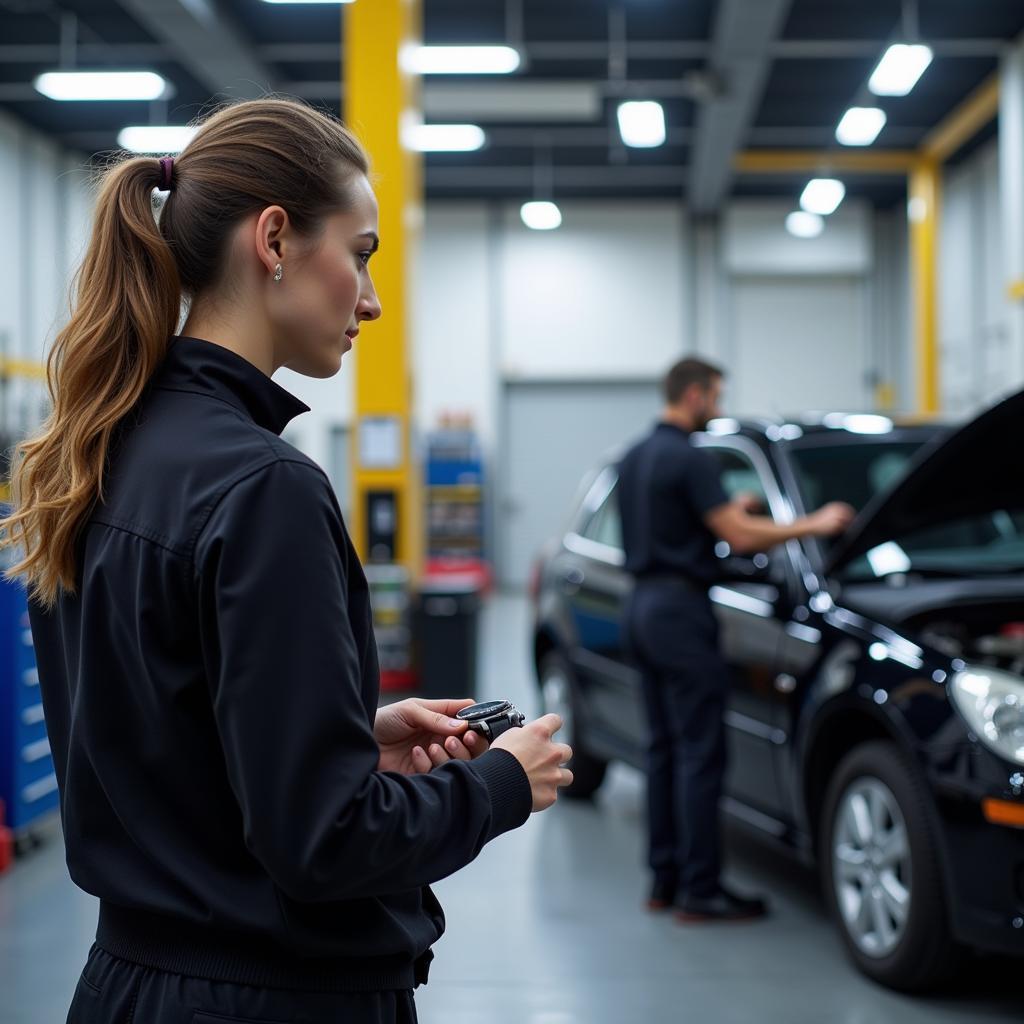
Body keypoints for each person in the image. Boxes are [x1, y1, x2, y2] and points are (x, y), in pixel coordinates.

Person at [0, 98, 572, 1023]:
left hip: (127, 985)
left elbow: (166, 742)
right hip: (268, 999)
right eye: (362, 253)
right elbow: (324, 843)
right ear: (273, 240)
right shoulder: (266, 489)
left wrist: (342, 731)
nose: (373, 298)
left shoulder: (102, 453)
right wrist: (499, 782)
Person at [617, 357, 853, 923]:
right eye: (716, 397)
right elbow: (740, 536)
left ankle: (664, 880)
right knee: (701, 754)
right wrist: (813, 524)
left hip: (641, 607)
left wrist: (728, 509)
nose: (718, 409)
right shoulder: (691, 457)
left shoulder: (636, 456)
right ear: (695, 395)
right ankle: (702, 891)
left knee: (664, 750)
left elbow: (688, 518)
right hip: (681, 613)